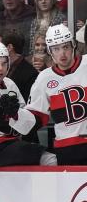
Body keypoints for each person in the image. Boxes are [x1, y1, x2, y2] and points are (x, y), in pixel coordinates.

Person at [10, 24, 87, 165]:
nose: (62, 54)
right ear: (49, 51)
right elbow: (35, 117)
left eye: (66, 47)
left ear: (73, 45)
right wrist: (15, 114)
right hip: (67, 149)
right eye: (56, 49)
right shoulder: (44, 78)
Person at [0, 42, 54, 166]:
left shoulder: (9, 83)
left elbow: (25, 119)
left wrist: (15, 114)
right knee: (48, 159)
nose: (1, 68)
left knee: (48, 157)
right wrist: (1, 117)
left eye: (4, 63)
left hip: (12, 142)